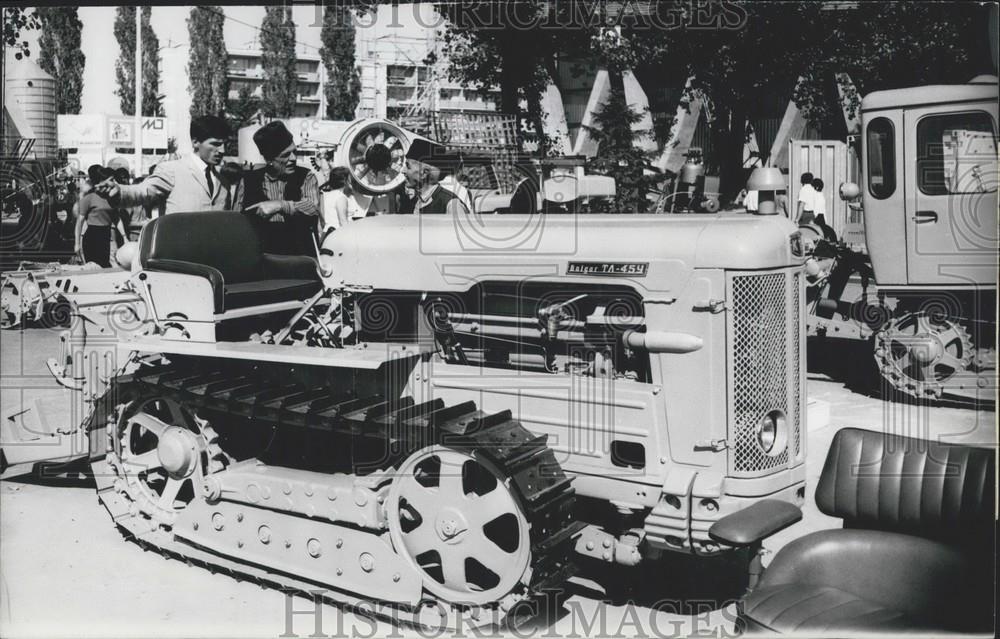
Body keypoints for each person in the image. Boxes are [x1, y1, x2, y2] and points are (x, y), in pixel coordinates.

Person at [93, 115, 235, 214]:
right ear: (195, 142)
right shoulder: (172, 170)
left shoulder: (223, 182)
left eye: (225, 145)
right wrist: (120, 192)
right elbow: (143, 192)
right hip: (178, 255)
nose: (222, 150)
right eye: (215, 144)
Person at [242, 121, 321, 255]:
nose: (293, 158)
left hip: (299, 257)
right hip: (261, 257)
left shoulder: (306, 176)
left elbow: (312, 207)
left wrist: (280, 205)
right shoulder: (248, 180)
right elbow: (237, 219)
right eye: (285, 155)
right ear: (269, 160)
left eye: (294, 152)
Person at [402, 139, 468, 216]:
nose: (403, 171)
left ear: (424, 173)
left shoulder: (451, 204)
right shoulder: (413, 202)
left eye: (408, 166)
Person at [74, 165, 117, 267]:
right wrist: (77, 244)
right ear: (101, 181)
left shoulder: (111, 198)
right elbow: (79, 222)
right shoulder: (89, 198)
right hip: (92, 236)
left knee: (104, 268)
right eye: (111, 180)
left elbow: (116, 219)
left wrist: (124, 237)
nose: (114, 182)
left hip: (106, 236)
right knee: (93, 268)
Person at [320, 166, 366, 236]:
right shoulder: (341, 197)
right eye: (350, 179)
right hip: (339, 234)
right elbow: (343, 222)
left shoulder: (327, 195)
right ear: (345, 181)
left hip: (328, 234)